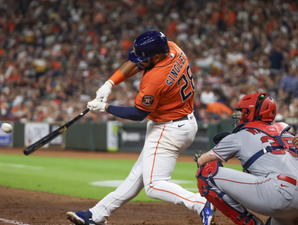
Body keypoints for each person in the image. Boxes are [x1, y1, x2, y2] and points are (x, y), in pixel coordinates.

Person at [66, 31, 215, 225]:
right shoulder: (172, 48)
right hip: (182, 122)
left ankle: (200, 203)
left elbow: (138, 114)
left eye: (144, 57)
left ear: (156, 56)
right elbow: (138, 63)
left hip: (167, 128)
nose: (139, 61)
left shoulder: (155, 79)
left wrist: (105, 108)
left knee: (153, 186)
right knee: (136, 178)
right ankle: (96, 215)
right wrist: (110, 83)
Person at [194, 93, 298, 225]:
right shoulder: (292, 136)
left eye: (242, 112)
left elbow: (202, 161)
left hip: (279, 194)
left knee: (206, 173)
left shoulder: (239, 136)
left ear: (251, 113)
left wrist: (202, 158)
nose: (239, 116)